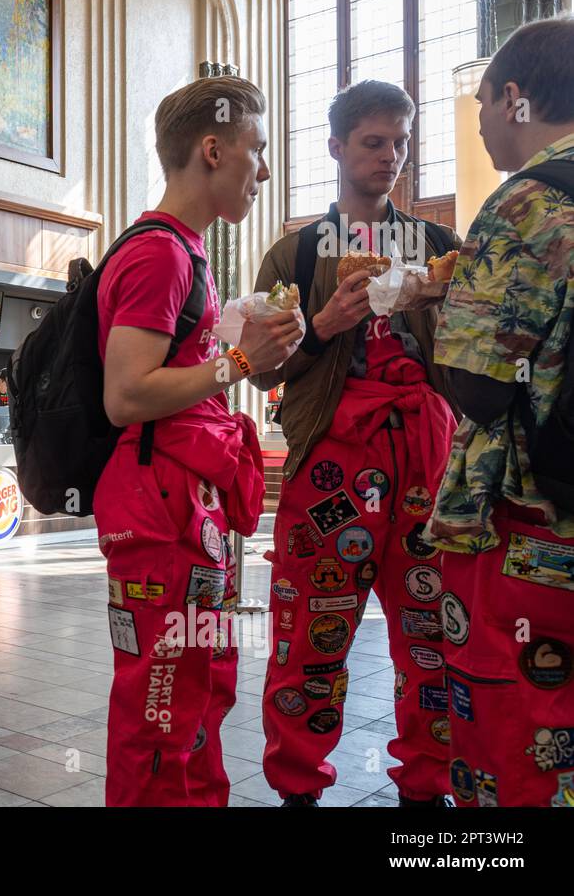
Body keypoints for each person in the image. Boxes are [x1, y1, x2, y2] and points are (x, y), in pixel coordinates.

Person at [250, 80, 462, 807]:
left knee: (433, 634)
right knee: (308, 632)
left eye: (401, 142)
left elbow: (475, 362)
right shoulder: (295, 254)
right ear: (336, 146)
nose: (391, 157)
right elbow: (261, 371)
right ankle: (298, 787)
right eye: (374, 142)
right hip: (332, 461)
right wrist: (327, 320)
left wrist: (444, 305)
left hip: (427, 459)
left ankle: (426, 792)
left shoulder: (438, 246)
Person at [96, 76, 302, 806]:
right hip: (159, 509)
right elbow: (127, 395)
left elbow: (180, 377)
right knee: (161, 699)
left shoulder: (188, 254)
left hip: (189, 505)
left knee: (202, 687)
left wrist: (241, 351)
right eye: (259, 150)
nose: (265, 171)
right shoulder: (160, 256)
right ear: (213, 150)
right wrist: (244, 364)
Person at [427, 16, 574, 807]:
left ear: (514, 99)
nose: (481, 121)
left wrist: (437, 310)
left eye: (483, 102)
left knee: (517, 724)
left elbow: (476, 384)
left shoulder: (525, 204)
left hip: (533, 514)